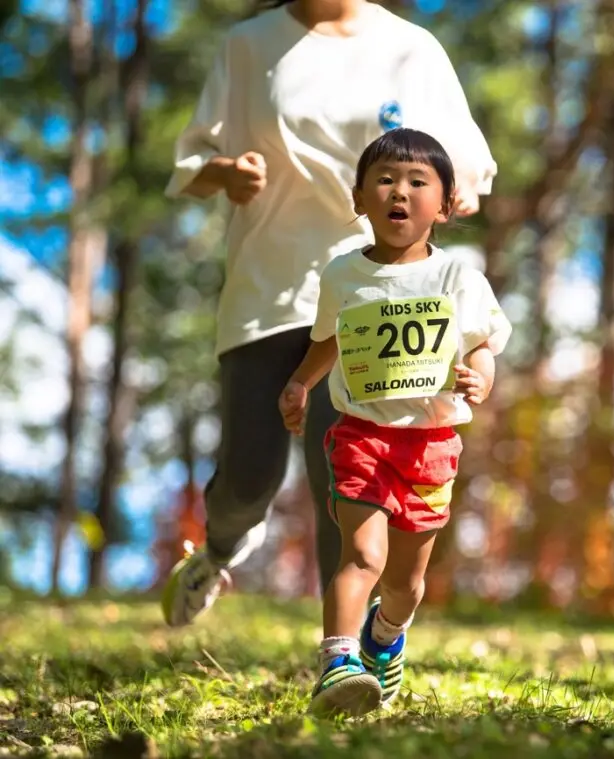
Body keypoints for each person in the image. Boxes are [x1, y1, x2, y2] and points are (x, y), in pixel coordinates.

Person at [160, 0, 496, 629]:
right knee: (249, 474)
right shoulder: (248, 45)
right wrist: (225, 173)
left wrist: (463, 188)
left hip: (374, 294)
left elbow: (466, 161)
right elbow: (192, 162)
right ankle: (219, 548)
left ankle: (344, 662)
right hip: (269, 285)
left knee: (343, 486)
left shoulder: (412, 48)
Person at [278, 127, 511, 717]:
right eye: (383, 180)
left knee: (405, 581)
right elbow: (329, 340)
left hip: (431, 444)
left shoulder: (460, 279)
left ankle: (384, 637)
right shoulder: (342, 276)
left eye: (416, 182)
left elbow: (483, 343)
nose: (398, 193)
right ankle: (337, 662)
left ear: (446, 201)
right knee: (362, 557)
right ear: (359, 199)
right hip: (360, 435)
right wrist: (300, 381)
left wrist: (480, 375)